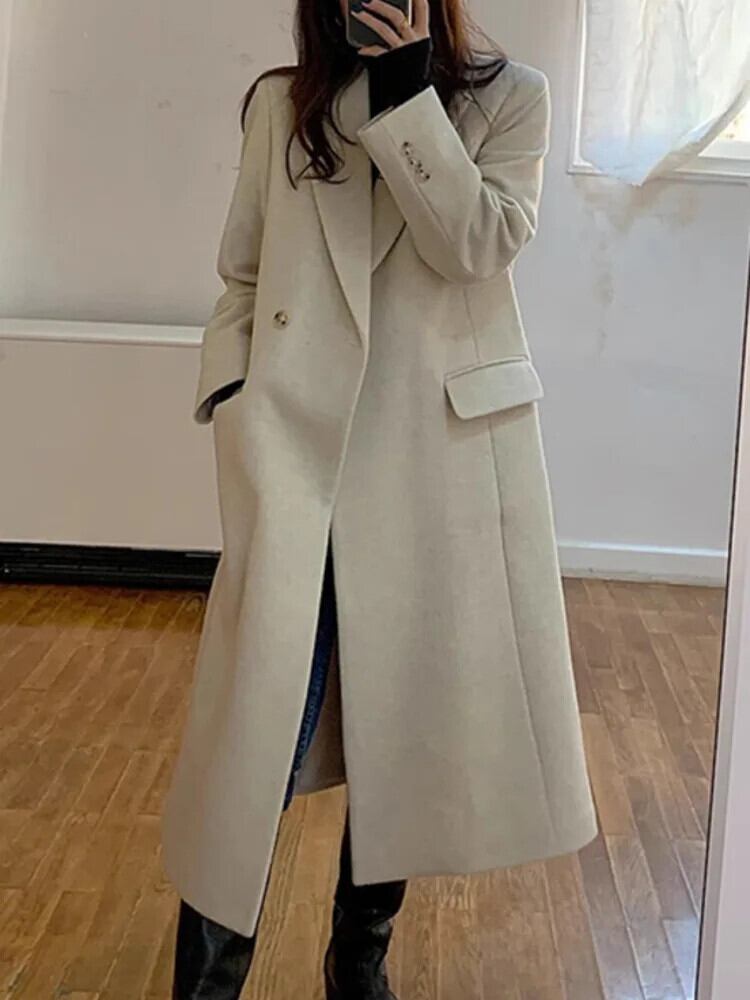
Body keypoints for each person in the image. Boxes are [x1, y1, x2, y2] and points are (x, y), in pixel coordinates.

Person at [161, 1, 599, 997]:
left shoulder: (511, 102)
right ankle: (207, 982)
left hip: (432, 465)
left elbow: (478, 245)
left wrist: (407, 103)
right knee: (255, 736)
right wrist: (234, 403)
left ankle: (359, 961)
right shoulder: (284, 107)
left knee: (400, 725)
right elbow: (242, 276)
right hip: (296, 460)